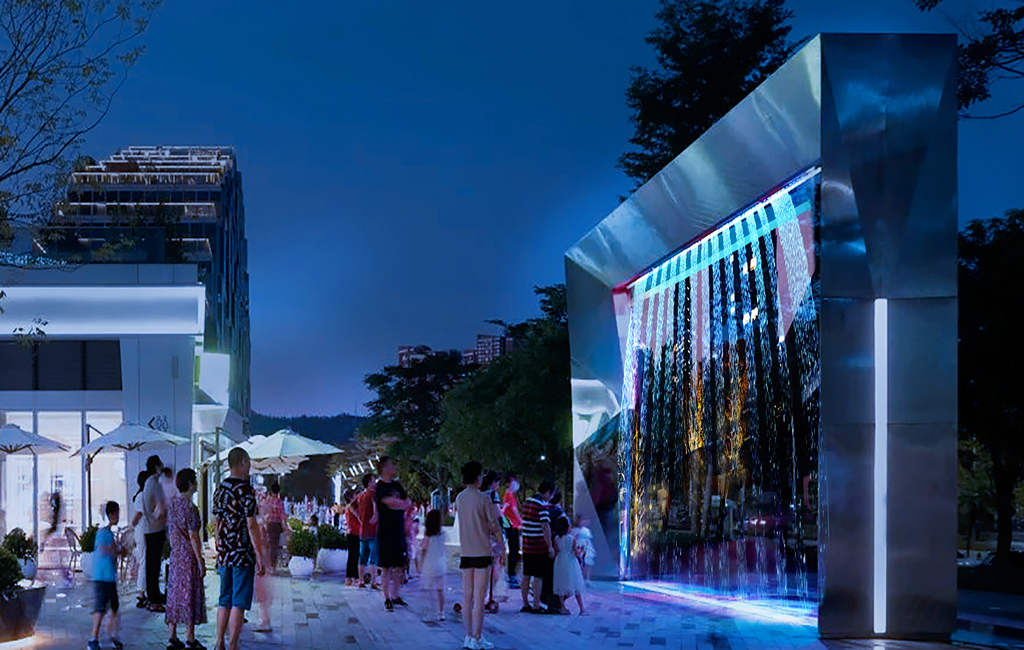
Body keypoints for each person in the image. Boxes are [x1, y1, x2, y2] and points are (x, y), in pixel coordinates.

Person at [212, 448, 267, 650]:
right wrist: (259, 554)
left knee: (224, 598)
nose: (250, 466)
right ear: (243, 462)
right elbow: (251, 525)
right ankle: (233, 645)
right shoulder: (246, 490)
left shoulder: (220, 489)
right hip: (242, 553)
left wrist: (219, 544)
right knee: (239, 601)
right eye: (249, 462)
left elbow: (216, 521)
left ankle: (219, 642)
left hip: (225, 553)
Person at [455, 461, 505, 650]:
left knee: (467, 597)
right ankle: (477, 636)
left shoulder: (459, 498)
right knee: (479, 597)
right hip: (483, 552)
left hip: (466, 552)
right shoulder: (484, 498)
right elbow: (494, 524)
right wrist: (501, 543)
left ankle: (468, 636)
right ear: (478, 477)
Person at [166, 469, 207, 650]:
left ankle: (173, 634)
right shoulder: (191, 508)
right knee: (190, 593)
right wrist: (200, 559)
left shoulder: (172, 505)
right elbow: (193, 536)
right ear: (190, 484)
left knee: (175, 593)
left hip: (176, 555)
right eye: (195, 480)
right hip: (188, 557)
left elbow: (171, 532)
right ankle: (190, 637)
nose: (197, 483)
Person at [375, 456, 412, 611]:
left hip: (399, 531)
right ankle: (386, 597)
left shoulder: (397, 485)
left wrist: (398, 504)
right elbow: (388, 502)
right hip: (385, 532)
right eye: (391, 465)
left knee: (399, 566)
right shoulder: (380, 487)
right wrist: (399, 504)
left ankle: (396, 595)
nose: (394, 468)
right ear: (384, 468)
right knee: (386, 567)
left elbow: (408, 502)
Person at [89, 501, 123, 650]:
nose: (118, 516)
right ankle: (93, 639)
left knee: (114, 607)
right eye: (117, 513)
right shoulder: (103, 533)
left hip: (109, 577)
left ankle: (112, 635)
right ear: (111, 514)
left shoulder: (108, 533)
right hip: (102, 577)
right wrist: (118, 549)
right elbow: (104, 549)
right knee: (100, 608)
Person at [520, 480, 555, 614]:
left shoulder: (527, 502)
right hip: (538, 547)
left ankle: (525, 603)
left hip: (526, 545)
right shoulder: (542, 506)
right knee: (538, 577)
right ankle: (536, 605)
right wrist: (550, 546)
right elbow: (545, 527)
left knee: (526, 575)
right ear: (548, 492)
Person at [142, 455, 169, 612]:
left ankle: (153, 596)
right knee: (154, 566)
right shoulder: (155, 484)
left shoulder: (148, 482)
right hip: (156, 529)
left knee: (151, 565)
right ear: (157, 467)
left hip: (149, 529)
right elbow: (161, 507)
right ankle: (154, 600)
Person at [551, 518, 587, 615]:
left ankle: (562, 607)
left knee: (561, 583)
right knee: (576, 584)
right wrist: (581, 551)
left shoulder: (556, 539)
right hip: (571, 562)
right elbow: (576, 553)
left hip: (559, 561)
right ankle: (582, 608)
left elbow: (556, 551)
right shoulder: (572, 538)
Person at [418, 509, 447, 621]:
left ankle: (431, 612)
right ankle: (441, 612)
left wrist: (420, 565)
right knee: (440, 590)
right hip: (441, 565)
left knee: (430, 590)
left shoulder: (427, 537)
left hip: (430, 565)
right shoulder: (443, 534)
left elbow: (423, 552)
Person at [130, 471, 149, 609]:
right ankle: (141, 592)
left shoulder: (143, 496)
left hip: (144, 531)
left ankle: (144, 591)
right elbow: (137, 515)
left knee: (145, 561)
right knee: (144, 561)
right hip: (143, 532)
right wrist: (132, 525)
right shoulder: (142, 496)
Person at [357, 474, 379, 589]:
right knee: (373, 558)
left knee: (362, 558)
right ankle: (374, 582)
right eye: (373, 480)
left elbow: (356, 512)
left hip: (362, 531)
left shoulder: (360, 496)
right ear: (369, 483)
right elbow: (376, 512)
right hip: (372, 531)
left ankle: (361, 581)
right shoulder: (372, 494)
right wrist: (375, 518)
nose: (375, 482)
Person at [501, 473, 523, 589]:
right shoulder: (509, 495)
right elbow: (513, 510)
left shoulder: (510, 496)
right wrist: (521, 521)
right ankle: (511, 576)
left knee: (515, 551)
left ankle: (512, 575)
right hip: (512, 527)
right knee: (514, 551)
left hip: (513, 526)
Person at [263, 483, 285, 574]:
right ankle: (273, 566)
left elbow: (264, 513)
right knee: (274, 545)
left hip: (269, 524)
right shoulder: (280, 502)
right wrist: (285, 526)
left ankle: (267, 565)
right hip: (277, 525)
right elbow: (282, 516)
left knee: (268, 545)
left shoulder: (268, 501)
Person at [343, 490, 361, 586]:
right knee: (354, 555)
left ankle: (349, 578)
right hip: (355, 532)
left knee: (352, 555)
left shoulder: (347, 507)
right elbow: (359, 517)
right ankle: (354, 577)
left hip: (351, 532)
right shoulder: (352, 507)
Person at [570, 514, 596, 581]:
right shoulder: (574, 530)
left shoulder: (586, 530)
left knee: (588, 562)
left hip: (587, 547)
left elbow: (588, 539)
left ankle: (587, 578)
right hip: (578, 547)